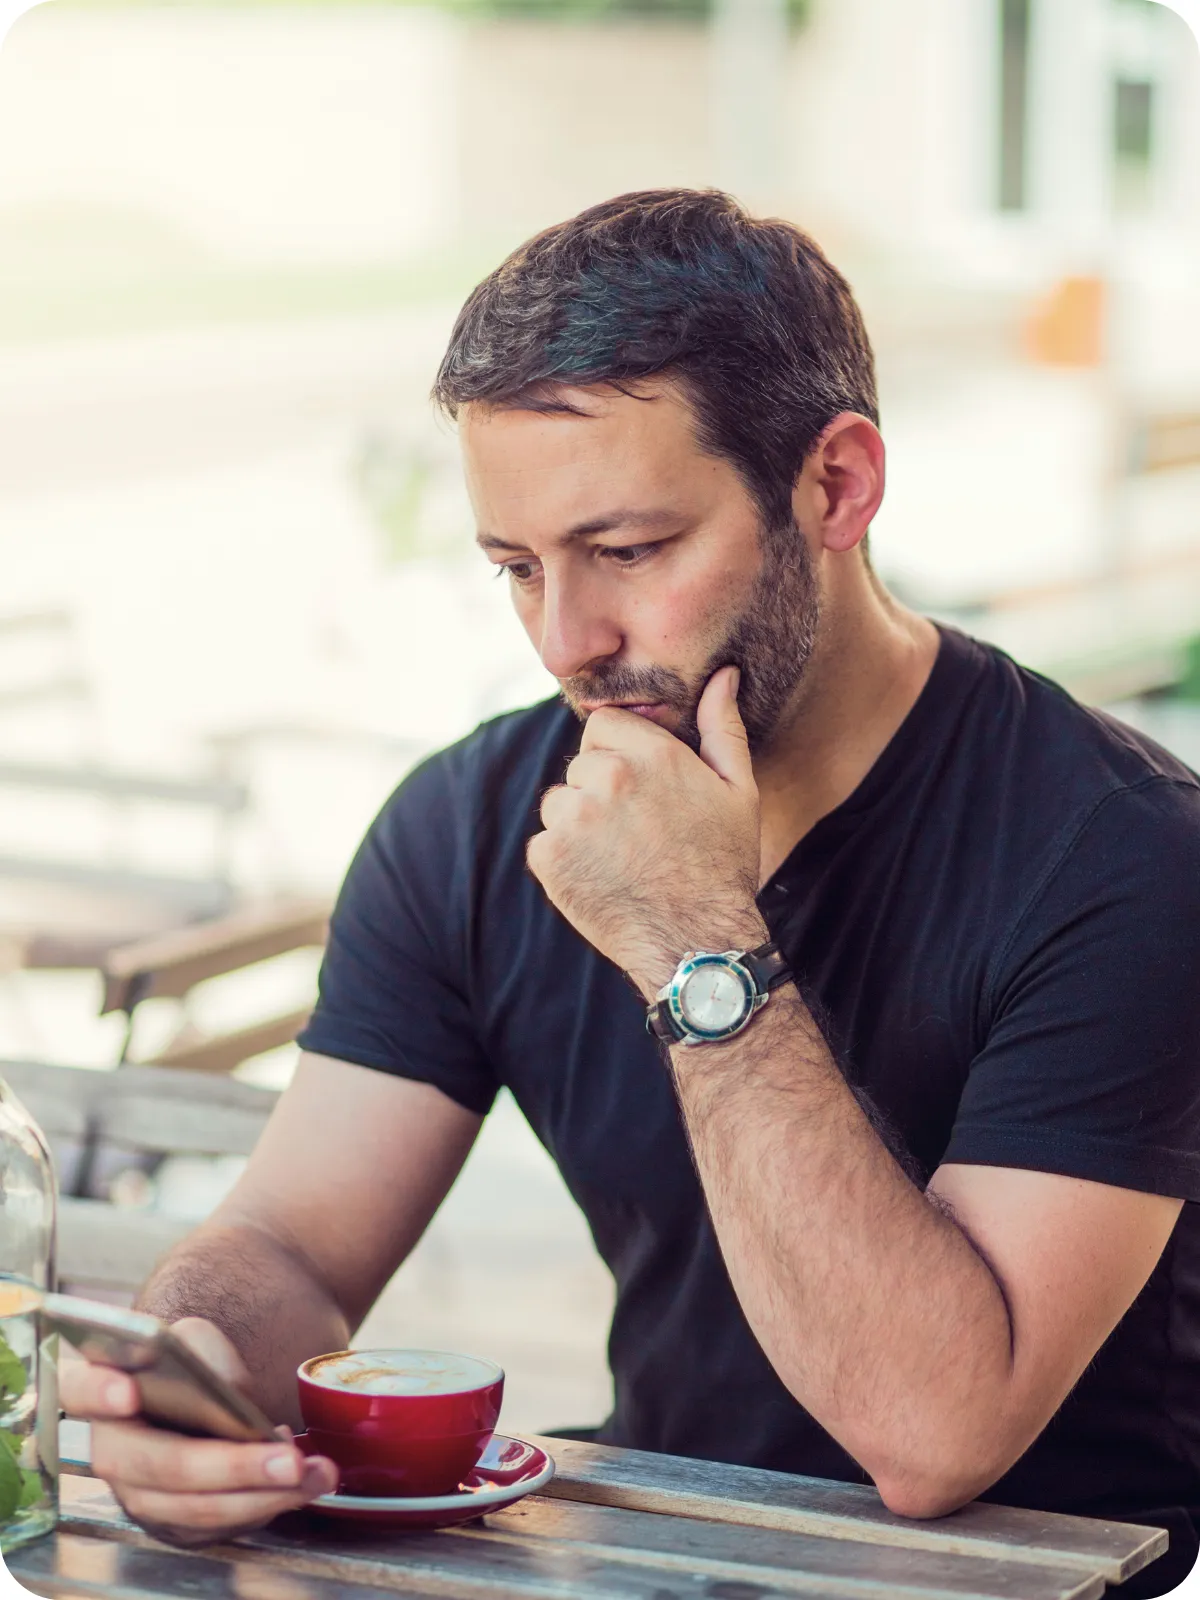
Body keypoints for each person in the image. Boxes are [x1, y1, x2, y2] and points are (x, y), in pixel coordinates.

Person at [63, 189, 1200, 1596]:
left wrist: (692, 938)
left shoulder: (1123, 856)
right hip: (660, 1549)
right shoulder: (471, 826)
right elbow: (292, 1238)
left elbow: (935, 1436)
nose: (567, 640)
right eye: (515, 569)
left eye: (628, 552)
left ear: (836, 487)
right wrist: (192, 1379)